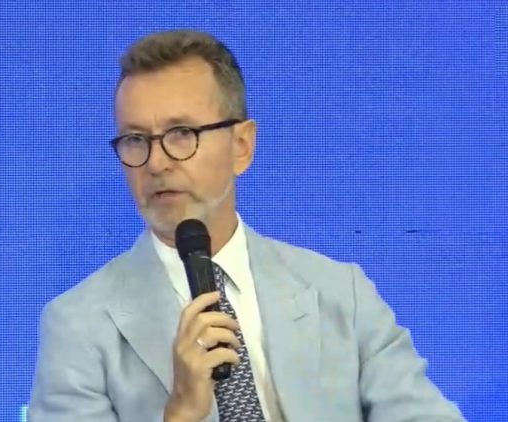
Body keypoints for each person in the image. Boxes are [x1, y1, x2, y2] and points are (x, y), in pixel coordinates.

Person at [27, 29, 465, 422]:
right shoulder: (77, 326)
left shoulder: (341, 294)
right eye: (135, 139)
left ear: (241, 146)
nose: (156, 163)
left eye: (182, 134)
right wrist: (180, 413)